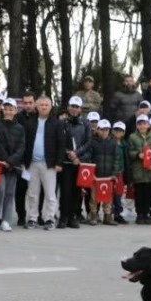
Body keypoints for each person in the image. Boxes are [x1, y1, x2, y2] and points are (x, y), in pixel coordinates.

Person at [22, 96, 65, 229]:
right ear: (37, 106)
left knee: (50, 193)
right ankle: (33, 218)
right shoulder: (30, 122)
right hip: (32, 163)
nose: (44, 107)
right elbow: (25, 143)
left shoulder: (56, 123)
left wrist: (59, 162)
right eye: (41, 105)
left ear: (50, 107)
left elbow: (61, 144)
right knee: (32, 193)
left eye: (46, 105)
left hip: (49, 164)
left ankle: (50, 218)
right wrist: (24, 162)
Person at [0, 99, 26, 231]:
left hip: (12, 166)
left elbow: (21, 147)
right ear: (3, 110)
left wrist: (10, 161)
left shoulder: (20, 128)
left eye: (11, 109)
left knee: (9, 192)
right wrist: (4, 160)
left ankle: (6, 220)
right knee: (0, 190)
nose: (8, 112)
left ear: (15, 111)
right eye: (6, 109)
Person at [58, 95, 92, 228]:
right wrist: (68, 153)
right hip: (66, 163)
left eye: (77, 107)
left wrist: (77, 154)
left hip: (79, 162)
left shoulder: (85, 124)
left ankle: (73, 217)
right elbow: (60, 142)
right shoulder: (62, 123)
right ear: (68, 107)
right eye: (72, 106)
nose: (74, 109)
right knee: (65, 191)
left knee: (77, 192)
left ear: (80, 109)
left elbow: (88, 142)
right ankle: (63, 217)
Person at [127, 114, 151, 224]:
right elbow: (129, 152)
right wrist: (138, 154)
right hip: (138, 171)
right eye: (140, 124)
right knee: (139, 194)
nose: (142, 126)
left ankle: (150, 214)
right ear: (137, 125)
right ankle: (140, 214)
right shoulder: (132, 137)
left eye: (144, 123)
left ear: (148, 125)